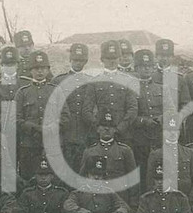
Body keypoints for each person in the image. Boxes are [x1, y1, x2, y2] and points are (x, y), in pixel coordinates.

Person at [52, 43, 95, 172]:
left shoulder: (91, 81)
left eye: (81, 60)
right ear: (70, 60)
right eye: (75, 60)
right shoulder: (58, 81)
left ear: (86, 61)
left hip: (84, 132)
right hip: (65, 132)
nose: (78, 63)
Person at [79, 109, 138, 204]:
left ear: (115, 130)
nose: (107, 129)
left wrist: (133, 204)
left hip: (120, 199)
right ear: (98, 129)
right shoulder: (89, 152)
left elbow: (133, 179)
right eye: (103, 126)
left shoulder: (125, 151)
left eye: (111, 126)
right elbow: (82, 180)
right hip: (96, 201)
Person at [15, 50, 57, 181]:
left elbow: (65, 117)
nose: (40, 72)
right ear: (30, 70)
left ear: (48, 70)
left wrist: (51, 128)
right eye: (36, 68)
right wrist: (34, 128)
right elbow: (15, 119)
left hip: (50, 145)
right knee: (28, 179)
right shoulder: (22, 93)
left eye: (43, 68)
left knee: (51, 180)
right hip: (28, 146)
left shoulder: (55, 90)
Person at [92, 39, 139, 144]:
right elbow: (87, 109)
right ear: (102, 59)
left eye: (115, 58)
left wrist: (120, 128)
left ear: (119, 58)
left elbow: (133, 108)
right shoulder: (94, 81)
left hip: (124, 134)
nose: (112, 61)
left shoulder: (128, 80)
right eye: (108, 58)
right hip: (100, 135)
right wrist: (99, 128)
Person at [146, 114, 193, 200]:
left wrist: (191, 197)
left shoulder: (189, 152)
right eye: (169, 130)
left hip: (187, 199)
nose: (173, 133)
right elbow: (150, 182)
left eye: (175, 130)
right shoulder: (156, 154)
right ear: (164, 132)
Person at [132, 48, 164, 169]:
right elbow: (129, 114)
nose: (146, 68)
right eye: (143, 66)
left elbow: (171, 110)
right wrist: (144, 121)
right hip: (140, 137)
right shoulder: (131, 89)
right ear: (136, 68)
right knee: (142, 168)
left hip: (159, 135)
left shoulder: (161, 88)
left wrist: (162, 118)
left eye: (149, 66)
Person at [154, 38, 191, 111]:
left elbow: (185, 103)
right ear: (156, 56)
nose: (165, 59)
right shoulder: (150, 77)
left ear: (172, 57)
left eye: (168, 56)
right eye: (162, 56)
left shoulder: (179, 79)